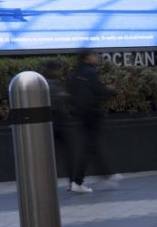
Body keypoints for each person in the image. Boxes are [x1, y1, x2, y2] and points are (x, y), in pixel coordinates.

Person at [67, 49, 119, 194]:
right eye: (94, 55)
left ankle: (107, 174)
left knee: (92, 146)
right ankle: (77, 181)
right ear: (87, 57)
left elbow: (72, 95)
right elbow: (98, 90)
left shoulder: (74, 74)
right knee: (89, 147)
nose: (97, 57)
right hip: (92, 115)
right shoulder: (90, 73)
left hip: (82, 115)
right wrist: (111, 90)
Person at [42, 60, 76, 189]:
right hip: (58, 123)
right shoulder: (52, 85)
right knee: (67, 153)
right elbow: (57, 103)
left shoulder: (44, 83)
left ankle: (48, 182)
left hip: (49, 124)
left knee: (50, 155)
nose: (60, 72)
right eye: (58, 69)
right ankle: (72, 181)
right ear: (53, 70)